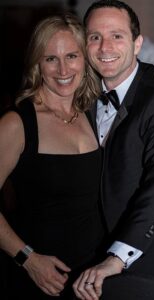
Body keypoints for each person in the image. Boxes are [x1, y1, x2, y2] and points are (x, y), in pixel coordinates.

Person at [73, 1, 154, 299]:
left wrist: (116, 258)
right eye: (95, 37)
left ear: (137, 43)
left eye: (117, 36)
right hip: (92, 259)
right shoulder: (85, 93)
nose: (105, 47)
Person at [0, 13, 105, 299]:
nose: (63, 69)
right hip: (39, 281)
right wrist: (28, 259)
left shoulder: (94, 115)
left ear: (85, 59)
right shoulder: (17, 123)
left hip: (92, 280)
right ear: (37, 63)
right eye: (50, 59)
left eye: (71, 56)